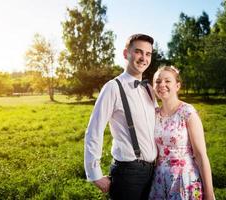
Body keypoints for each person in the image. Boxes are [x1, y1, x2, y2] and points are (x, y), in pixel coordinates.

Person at [84, 33, 157, 200]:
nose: (143, 58)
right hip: (128, 174)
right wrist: (95, 174)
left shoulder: (149, 89)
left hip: (154, 172)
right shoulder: (113, 87)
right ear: (126, 54)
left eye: (148, 54)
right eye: (138, 52)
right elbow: (94, 130)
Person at [149, 66, 215, 200]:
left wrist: (210, 194)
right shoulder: (154, 114)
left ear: (177, 86)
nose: (162, 84)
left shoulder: (187, 112)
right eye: (158, 81)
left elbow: (201, 156)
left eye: (167, 81)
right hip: (160, 180)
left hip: (185, 179)